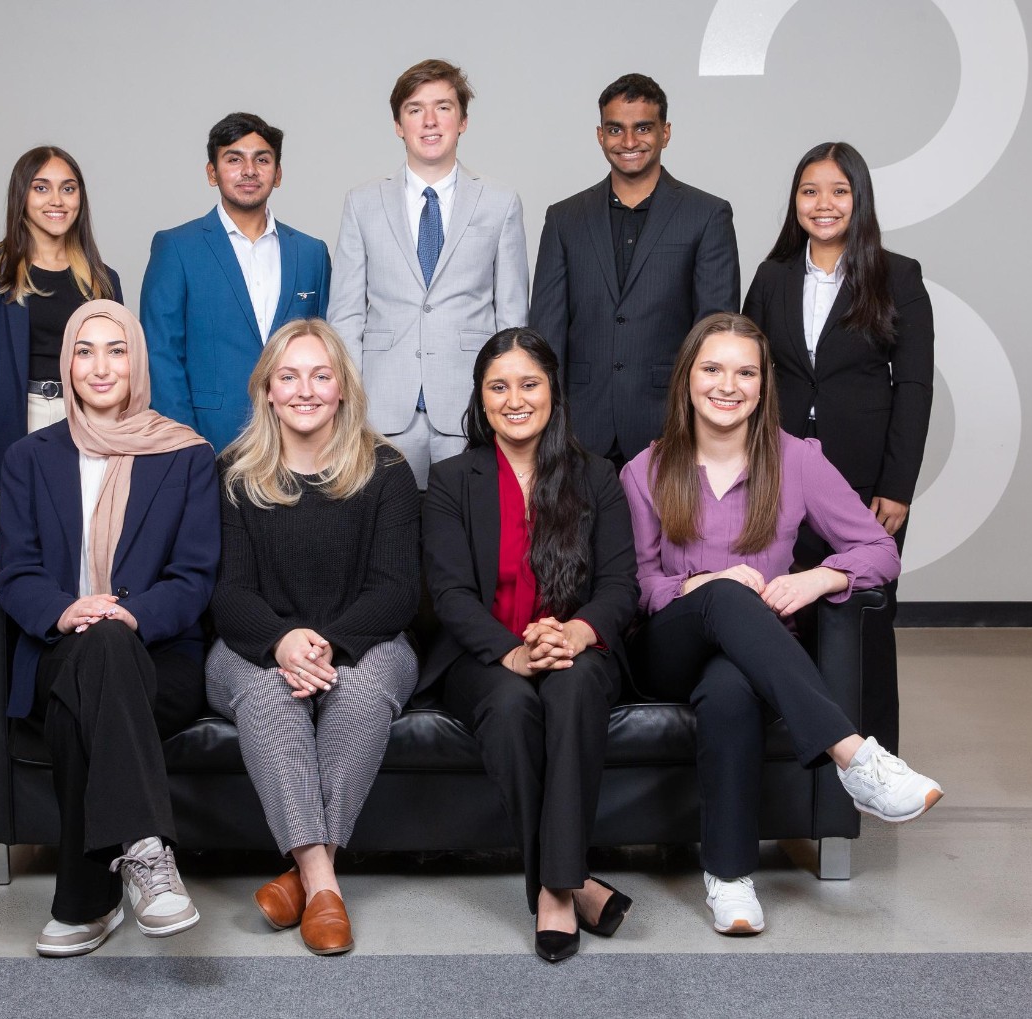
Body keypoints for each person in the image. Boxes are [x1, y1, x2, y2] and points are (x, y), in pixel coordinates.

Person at [620, 313, 942, 936]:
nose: (728, 385)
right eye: (712, 369)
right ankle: (855, 757)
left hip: (749, 657)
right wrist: (706, 585)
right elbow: (636, 588)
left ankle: (731, 878)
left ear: (765, 386)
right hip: (664, 651)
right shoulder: (646, 470)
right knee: (728, 594)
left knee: (732, 688)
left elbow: (880, 551)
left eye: (745, 372)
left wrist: (818, 577)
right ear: (687, 379)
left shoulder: (797, 460)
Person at [0, 301, 219, 957]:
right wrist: (67, 611)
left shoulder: (185, 455)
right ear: (67, 363)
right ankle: (149, 854)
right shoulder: (28, 457)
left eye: (116, 349)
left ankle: (87, 898)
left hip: (161, 657)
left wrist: (130, 612)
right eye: (85, 350)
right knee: (91, 658)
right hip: (56, 652)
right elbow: (17, 571)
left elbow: (194, 575)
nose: (100, 365)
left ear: (137, 362)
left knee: (101, 664)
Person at [205, 319, 420, 956]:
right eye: (289, 376)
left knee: (359, 690)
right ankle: (323, 880)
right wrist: (281, 642)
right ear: (267, 390)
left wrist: (323, 642)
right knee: (270, 695)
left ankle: (303, 879)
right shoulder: (233, 475)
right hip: (252, 647)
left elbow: (396, 590)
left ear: (343, 388)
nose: (305, 390)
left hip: (366, 643)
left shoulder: (387, 472)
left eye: (321, 376)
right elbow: (228, 593)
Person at [423, 328, 636, 962]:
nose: (514, 399)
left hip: (578, 647)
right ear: (481, 399)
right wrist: (512, 651)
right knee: (514, 707)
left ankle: (552, 890)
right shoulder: (449, 480)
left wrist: (574, 631)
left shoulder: (596, 476)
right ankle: (568, 885)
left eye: (529, 383)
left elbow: (622, 584)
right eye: (498, 386)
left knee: (570, 691)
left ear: (553, 392)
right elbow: (450, 593)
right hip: (485, 655)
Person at [743, 141, 934, 752]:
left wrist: (897, 487)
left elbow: (915, 386)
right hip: (778, 473)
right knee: (786, 610)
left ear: (860, 199)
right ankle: (803, 752)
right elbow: (748, 368)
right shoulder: (772, 276)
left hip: (864, 481)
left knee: (867, 620)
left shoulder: (897, 276)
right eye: (809, 191)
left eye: (838, 191)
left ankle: (875, 760)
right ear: (795, 201)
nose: (823, 204)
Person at [327, 59, 529, 490]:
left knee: (467, 539)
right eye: (416, 109)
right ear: (398, 124)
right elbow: (345, 315)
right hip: (381, 406)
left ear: (463, 120)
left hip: (470, 405)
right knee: (388, 541)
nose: (430, 121)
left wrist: (504, 400)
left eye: (443, 107)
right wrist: (349, 403)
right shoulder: (362, 202)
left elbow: (512, 319)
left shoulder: (500, 202)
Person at [529, 73, 739, 468]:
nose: (628, 142)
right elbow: (547, 331)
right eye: (615, 129)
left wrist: (703, 422)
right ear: (599, 134)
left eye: (643, 128)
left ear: (666, 133)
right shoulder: (564, 218)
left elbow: (715, 330)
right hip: (580, 425)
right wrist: (548, 422)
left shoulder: (707, 215)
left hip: (670, 422)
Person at [0, 146, 122, 579]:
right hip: (3, 434)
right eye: (42, 188)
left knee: (76, 577)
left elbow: (120, 374)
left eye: (68, 188)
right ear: (21, 196)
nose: (56, 200)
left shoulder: (102, 279)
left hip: (85, 430)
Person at [141, 112, 332, 450]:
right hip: (208, 436)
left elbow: (325, 351)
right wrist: (184, 441)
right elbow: (160, 354)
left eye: (262, 159)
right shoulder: (176, 248)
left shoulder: (311, 252)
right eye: (234, 159)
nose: (249, 171)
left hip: (296, 439)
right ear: (212, 173)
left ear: (278, 174)